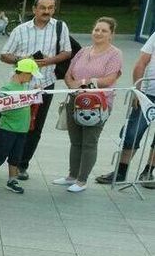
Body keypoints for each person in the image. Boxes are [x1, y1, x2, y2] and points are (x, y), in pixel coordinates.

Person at [0, 0, 71, 180]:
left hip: (44, 85)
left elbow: (67, 52)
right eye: (43, 7)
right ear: (34, 9)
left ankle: (22, 165)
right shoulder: (21, 30)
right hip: (19, 86)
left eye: (50, 8)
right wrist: (23, 60)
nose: (46, 11)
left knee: (34, 127)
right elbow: (4, 55)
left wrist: (49, 61)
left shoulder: (60, 27)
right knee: (4, 124)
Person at [52, 18, 121, 192]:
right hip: (75, 101)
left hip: (97, 105)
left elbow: (110, 79)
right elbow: (69, 74)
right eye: (96, 29)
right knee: (75, 141)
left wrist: (84, 82)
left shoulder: (115, 54)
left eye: (104, 31)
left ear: (111, 34)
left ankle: (82, 180)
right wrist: (72, 84)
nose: (98, 33)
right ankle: (72, 176)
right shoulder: (83, 51)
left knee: (89, 142)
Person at [98, 29, 155, 185]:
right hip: (148, 93)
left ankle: (148, 172)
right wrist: (138, 90)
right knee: (131, 133)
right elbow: (142, 62)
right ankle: (121, 172)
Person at [0, 59, 40, 194]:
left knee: (16, 156)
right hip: (6, 129)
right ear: (24, 73)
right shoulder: (7, 89)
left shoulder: (25, 89)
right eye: (31, 75)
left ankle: (12, 179)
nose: (31, 78)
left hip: (21, 130)